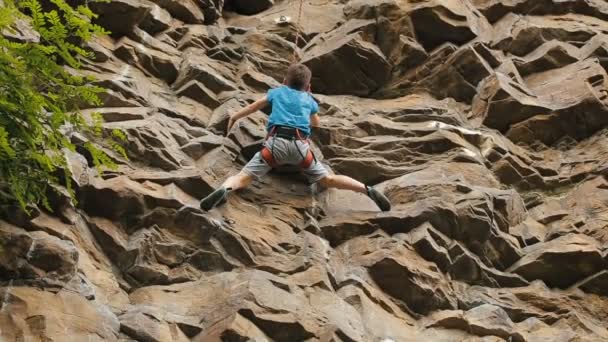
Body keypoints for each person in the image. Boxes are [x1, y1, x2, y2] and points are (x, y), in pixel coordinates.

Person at [200, 64, 391, 212]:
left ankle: (225, 189)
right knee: (328, 179)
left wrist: (234, 117)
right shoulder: (309, 100)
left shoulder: (276, 92)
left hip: (275, 146)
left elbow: (253, 107)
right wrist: (307, 102)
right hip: (300, 149)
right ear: (308, 86)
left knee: (243, 177)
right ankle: (367, 190)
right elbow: (316, 124)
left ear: (284, 80)